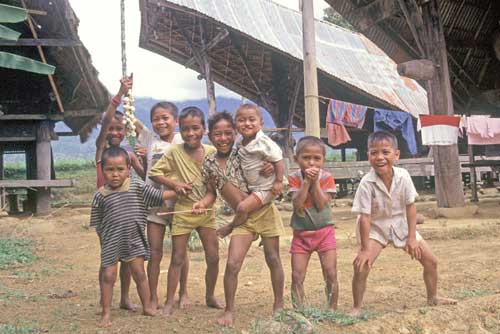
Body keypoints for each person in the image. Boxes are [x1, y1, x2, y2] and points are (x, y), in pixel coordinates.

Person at [193, 111, 285, 327]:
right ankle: (229, 310)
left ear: (234, 133)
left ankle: (279, 303)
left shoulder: (243, 153)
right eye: (218, 134)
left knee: (273, 258)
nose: (223, 138)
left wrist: (272, 166)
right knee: (233, 264)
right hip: (242, 218)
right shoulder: (208, 164)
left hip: (263, 210)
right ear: (210, 136)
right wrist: (202, 204)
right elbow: (210, 194)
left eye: (227, 133)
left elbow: (270, 159)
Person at [350, 131, 457, 316]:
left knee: (431, 261)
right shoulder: (366, 183)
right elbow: (365, 218)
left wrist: (412, 237)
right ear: (368, 156)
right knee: (362, 265)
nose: (380, 157)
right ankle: (357, 307)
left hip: (401, 223)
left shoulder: (403, 176)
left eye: (385, 152)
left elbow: (410, 207)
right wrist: (365, 249)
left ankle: (433, 297)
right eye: (374, 153)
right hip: (374, 227)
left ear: (396, 155)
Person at [149, 106, 224, 316]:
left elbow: (212, 190)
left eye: (195, 128)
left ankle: (210, 295)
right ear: (179, 130)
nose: (191, 133)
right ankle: (169, 301)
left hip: (206, 211)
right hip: (182, 212)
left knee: (213, 257)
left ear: (204, 129)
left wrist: (204, 202)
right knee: (177, 258)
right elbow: (154, 173)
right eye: (185, 129)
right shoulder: (173, 151)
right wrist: (174, 184)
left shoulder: (211, 153)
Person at [90, 146, 176, 327]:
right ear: (102, 170)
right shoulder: (100, 196)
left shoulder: (136, 186)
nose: (115, 174)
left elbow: (158, 196)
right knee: (108, 276)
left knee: (139, 274)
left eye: (120, 169)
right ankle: (106, 312)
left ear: (128, 169)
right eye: (110, 170)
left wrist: (179, 191)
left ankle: (147, 306)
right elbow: (97, 223)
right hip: (110, 242)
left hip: (134, 239)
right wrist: (103, 242)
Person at [94, 75, 145, 312]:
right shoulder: (101, 150)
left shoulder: (128, 154)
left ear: (126, 131)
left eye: (120, 128)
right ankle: (105, 301)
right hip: (107, 215)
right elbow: (105, 121)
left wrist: (142, 157)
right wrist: (120, 93)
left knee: (128, 258)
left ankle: (125, 298)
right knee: (108, 259)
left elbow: (144, 176)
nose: (115, 132)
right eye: (112, 129)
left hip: (128, 212)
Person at [133, 100, 190, 310]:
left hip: (179, 203)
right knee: (154, 252)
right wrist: (124, 94)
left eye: (165, 118)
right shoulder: (150, 140)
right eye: (155, 119)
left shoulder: (183, 139)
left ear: (175, 121)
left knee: (180, 253)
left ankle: (183, 292)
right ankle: (153, 296)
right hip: (154, 204)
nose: (160, 122)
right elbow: (131, 120)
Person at [216, 103, 284, 238]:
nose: (247, 124)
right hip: (252, 187)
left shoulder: (263, 142)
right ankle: (254, 229)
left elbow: (278, 158)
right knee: (227, 187)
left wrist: (278, 181)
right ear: (235, 124)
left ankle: (230, 227)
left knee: (242, 208)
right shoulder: (241, 143)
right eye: (241, 120)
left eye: (252, 120)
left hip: (266, 188)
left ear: (261, 123)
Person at [288, 136, 338, 310]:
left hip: (325, 233)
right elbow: (297, 204)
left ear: (323, 160)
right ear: (296, 159)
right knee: (296, 276)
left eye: (317, 158)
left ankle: (332, 309)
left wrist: (314, 182)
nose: (311, 163)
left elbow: (321, 203)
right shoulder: (294, 177)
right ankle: (299, 311)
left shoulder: (327, 177)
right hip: (301, 235)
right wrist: (306, 182)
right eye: (306, 158)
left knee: (330, 273)